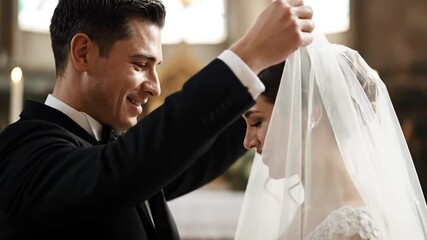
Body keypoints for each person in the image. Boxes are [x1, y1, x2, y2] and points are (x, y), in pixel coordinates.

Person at [0, 0, 314, 239]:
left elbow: (187, 154)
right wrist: (249, 55)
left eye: (156, 66)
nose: (155, 86)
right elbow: (126, 168)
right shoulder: (25, 154)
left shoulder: (121, 157)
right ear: (83, 53)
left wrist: (280, 77)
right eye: (140, 64)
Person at [236, 34, 427, 239]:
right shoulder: (305, 208)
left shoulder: (354, 227)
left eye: (257, 122)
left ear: (311, 115)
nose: (248, 142)